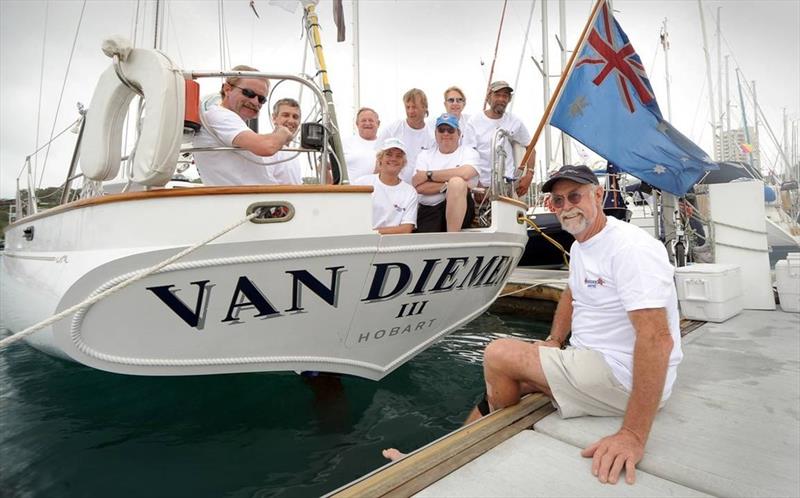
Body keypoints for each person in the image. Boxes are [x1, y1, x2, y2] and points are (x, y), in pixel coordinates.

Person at [384, 166, 683, 483]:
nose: (565, 207)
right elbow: (572, 292)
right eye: (557, 200)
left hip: (623, 375)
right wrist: (555, 339)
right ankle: (443, 457)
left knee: (499, 355)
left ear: (599, 195)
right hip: (593, 361)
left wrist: (632, 435)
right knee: (510, 382)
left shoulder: (630, 249)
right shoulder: (584, 242)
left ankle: (481, 448)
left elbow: (657, 339)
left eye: (574, 196)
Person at [193, 64, 294, 185]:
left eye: (261, 99)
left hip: (254, 200)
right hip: (247, 201)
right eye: (249, 93)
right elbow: (267, 146)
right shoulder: (220, 115)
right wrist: (283, 132)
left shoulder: (223, 118)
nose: (255, 101)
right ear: (227, 89)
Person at [412, 114, 479, 232]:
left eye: (450, 130)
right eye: (441, 130)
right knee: (456, 183)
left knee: (457, 183)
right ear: (435, 134)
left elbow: (466, 174)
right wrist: (449, 185)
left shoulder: (469, 153)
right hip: (430, 211)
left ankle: (452, 239)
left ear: (459, 134)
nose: (446, 134)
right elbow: (419, 186)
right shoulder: (424, 155)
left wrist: (429, 175)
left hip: (462, 210)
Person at [468, 80, 534, 197]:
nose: (502, 99)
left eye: (505, 96)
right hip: (481, 185)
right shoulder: (474, 121)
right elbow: (468, 155)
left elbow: (530, 147)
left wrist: (529, 174)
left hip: (506, 185)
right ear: (489, 97)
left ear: (509, 99)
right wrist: (477, 183)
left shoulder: (514, 121)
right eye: (497, 95)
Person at [352, 138, 418, 234]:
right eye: (388, 154)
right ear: (380, 159)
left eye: (398, 156)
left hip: (393, 244)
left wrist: (371, 233)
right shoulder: (362, 183)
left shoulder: (410, 192)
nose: (393, 159)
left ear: (403, 163)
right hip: (362, 242)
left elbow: (406, 229)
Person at [378, 88, 436, 184]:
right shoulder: (393, 129)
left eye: (414, 107)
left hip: (422, 190)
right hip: (394, 187)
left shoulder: (432, 135)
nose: (410, 111)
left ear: (425, 107)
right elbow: (378, 158)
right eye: (407, 107)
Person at [266, 98, 304, 185]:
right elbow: (266, 184)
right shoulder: (266, 148)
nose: (291, 121)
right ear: (274, 118)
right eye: (286, 115)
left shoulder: (293, 153)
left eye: (295, 117)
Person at [342, 107, 381, 182]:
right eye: (363, 120)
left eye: (371, 120)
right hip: (349, 191)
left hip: (375, 191)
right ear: (357, 124)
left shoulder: (385, 146)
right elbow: (325, 167)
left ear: (378, 123)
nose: (367, 123)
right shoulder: (344, 143)